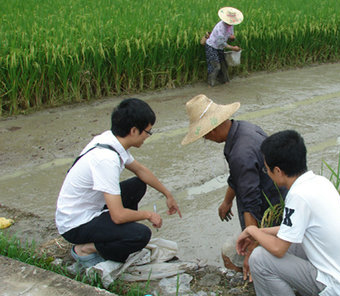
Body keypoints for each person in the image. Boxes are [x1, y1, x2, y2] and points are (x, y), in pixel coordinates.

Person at [55, 98, 182, 269]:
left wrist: (168, 194)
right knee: (141, 235)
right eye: (148, 132)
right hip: (75, 224)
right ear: (134, 130)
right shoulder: (106, 159)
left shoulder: (112, 140)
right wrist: (148, 215)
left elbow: (141, 171)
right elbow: (118, 215)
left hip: (91, 208)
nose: (147, 137)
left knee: (137, 184)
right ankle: (86, 248)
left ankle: (117, 235)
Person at [236, 130, 340, 296]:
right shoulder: (320, 182)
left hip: (336, 287)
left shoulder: (298, 195)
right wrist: (259, 232)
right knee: (289, 240)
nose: (266, 173)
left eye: (266, 169)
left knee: (259, 258)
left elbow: (278, 249)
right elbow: (292, 230)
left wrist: (252, 230)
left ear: (278, 171)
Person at [181, 94, 287, 279]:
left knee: (229, 252)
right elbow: (238, 176)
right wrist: (227, 201)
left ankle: (253, 280)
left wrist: (251, 248)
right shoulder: (245, 129)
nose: (207, 139)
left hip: (268, 212)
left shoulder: (240, 153)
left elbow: (250, 202)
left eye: (205, 135)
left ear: (212, 130)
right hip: (279, 202)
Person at [205, 7, 243, 86]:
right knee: (216, 66)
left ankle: (225, 82)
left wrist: (232, 38)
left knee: (224, 65)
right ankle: (210, 84)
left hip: (220, 48)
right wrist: (233, 48)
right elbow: (221, 42)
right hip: (212, 47)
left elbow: (229, 35)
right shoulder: (220, 27)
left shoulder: (230, 26)